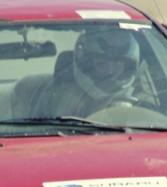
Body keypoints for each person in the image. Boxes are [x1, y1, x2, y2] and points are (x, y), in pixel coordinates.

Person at [15, 27, 147, 119]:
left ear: (129, 65)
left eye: (118, 63)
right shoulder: (59, 95)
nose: (110, 70)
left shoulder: (141, 100)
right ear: (86, 61)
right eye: (102, 63)